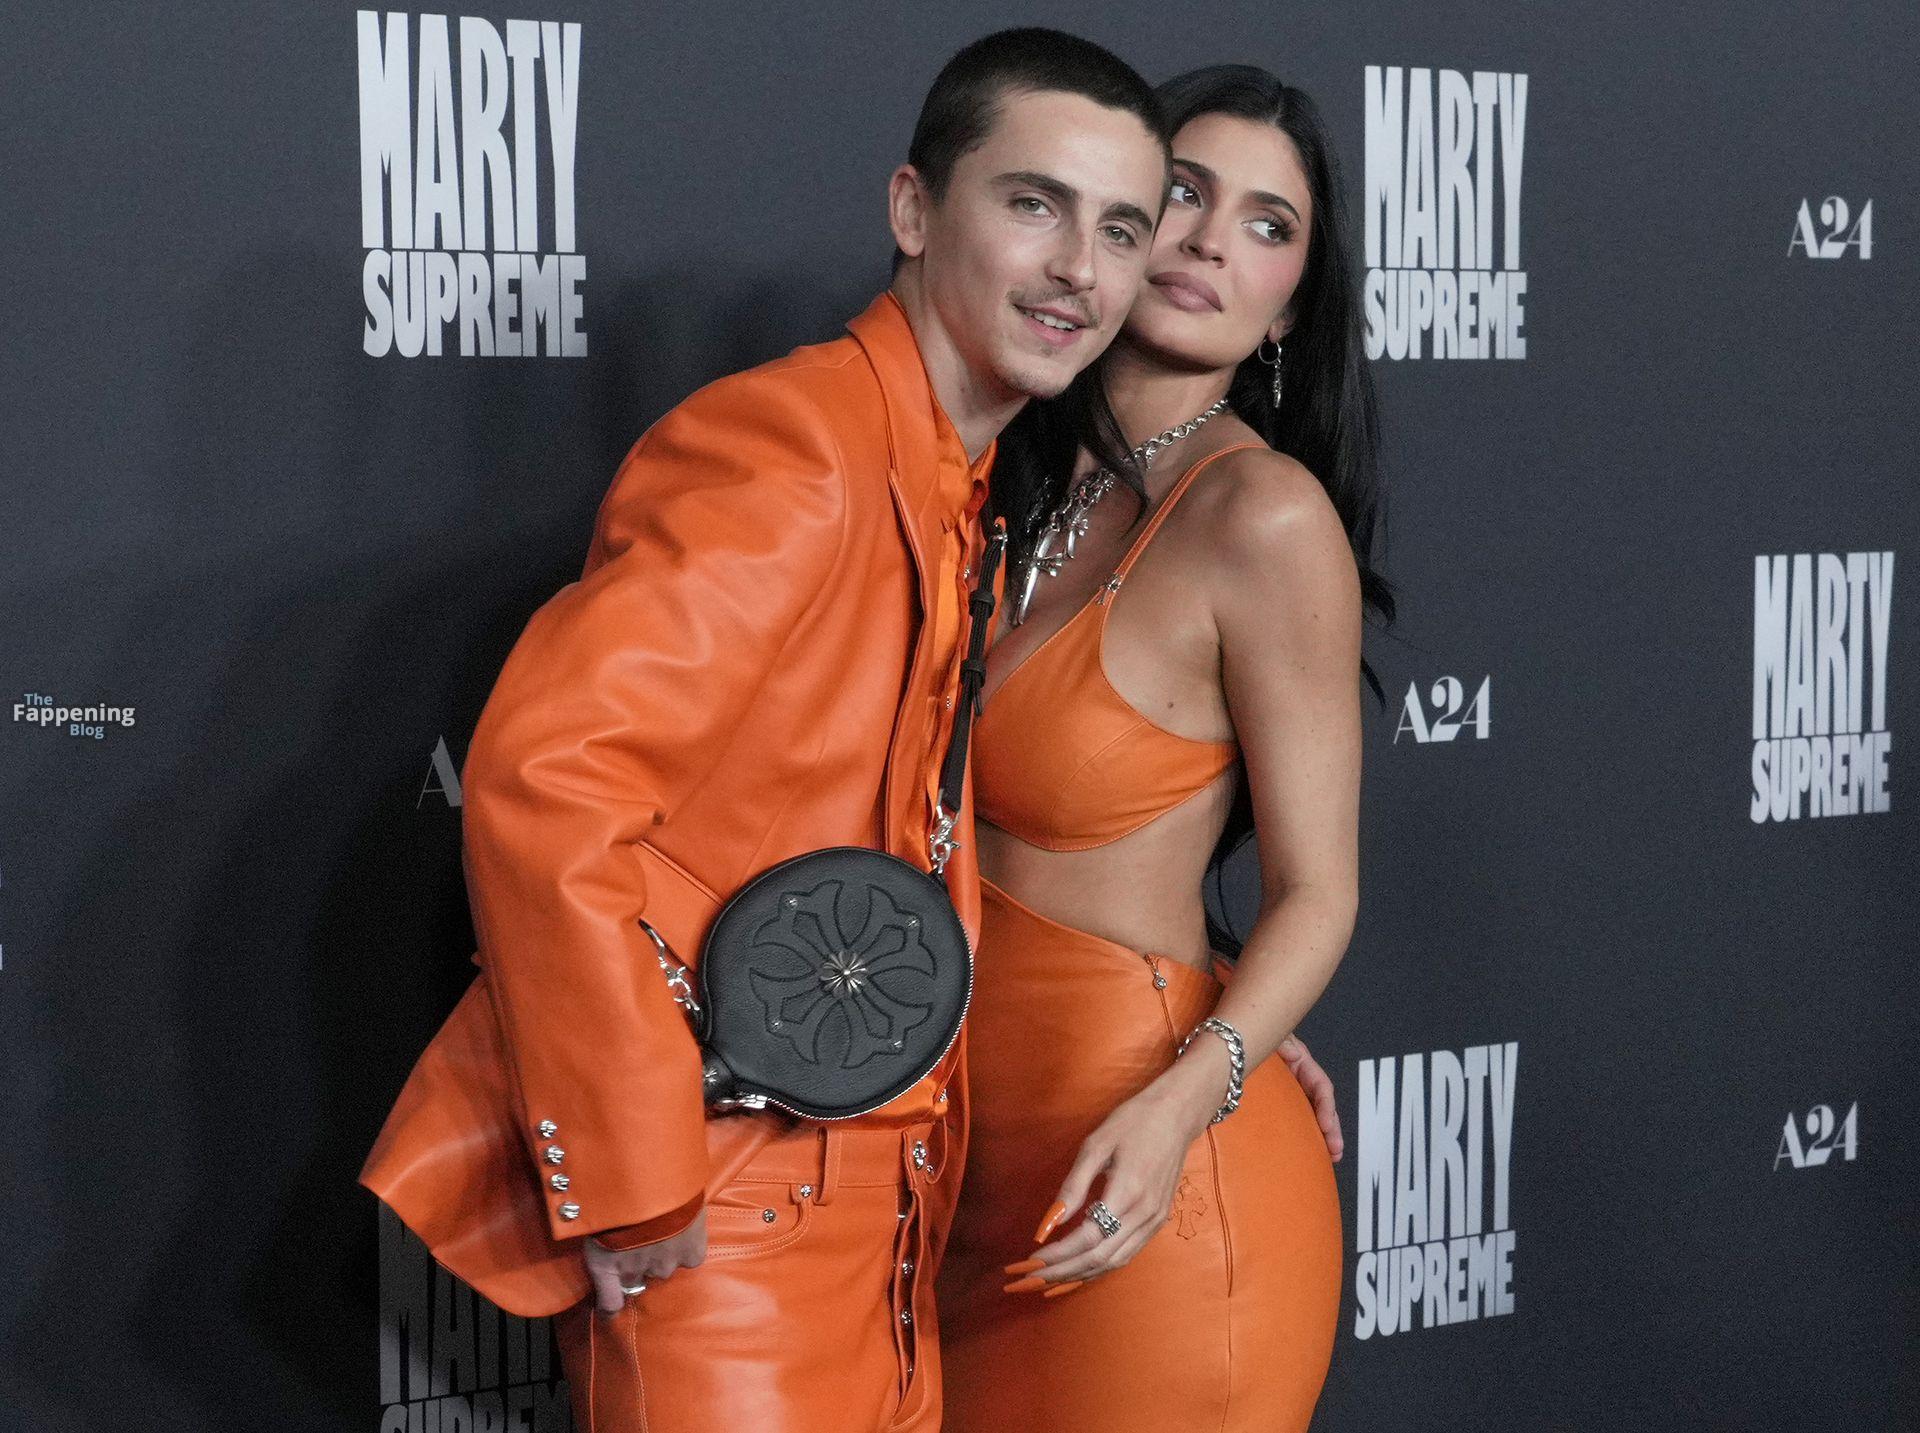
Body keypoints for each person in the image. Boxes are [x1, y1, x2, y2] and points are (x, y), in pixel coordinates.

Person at [359, 28, 1174, 1433]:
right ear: (913, 208)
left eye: (1119, 230)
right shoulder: (796, 446)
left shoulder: (954, 478)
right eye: (1034, 204)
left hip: (884, 1218)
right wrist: (634, 1171)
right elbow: (549, 783)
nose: (1079, 272)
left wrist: (1225, 1018)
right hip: (730, 1211)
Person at [936, 65, 1395, 1432]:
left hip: (1147, 1188)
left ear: (1291, 305)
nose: (1209, 241)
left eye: (1269, 225)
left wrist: (1196, 1085)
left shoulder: (1264, 518)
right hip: (947, 1178)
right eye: (1183, 195)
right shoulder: (992, 479)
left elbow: (1320, 891)